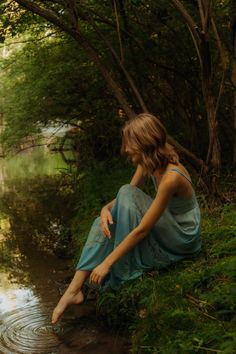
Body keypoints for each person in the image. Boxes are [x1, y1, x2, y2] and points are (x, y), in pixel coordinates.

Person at [51, 113, 201, 324]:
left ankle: (120, 270)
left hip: (183, 236)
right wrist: (105, 209)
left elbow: (142, 229)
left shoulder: (172, 177)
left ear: (145, 144)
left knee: (126, 192)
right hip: (169, 224)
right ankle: (73, 290)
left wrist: (107, 263)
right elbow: (125, 197)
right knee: (101, 220)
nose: (127, 153)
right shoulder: (149, 162)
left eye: (130, 148)